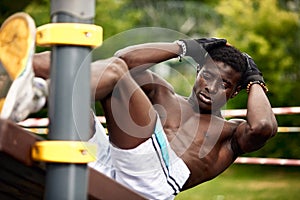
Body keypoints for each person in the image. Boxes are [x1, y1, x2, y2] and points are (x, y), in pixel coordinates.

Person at [2, 12, 277, 200]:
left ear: (235, 91)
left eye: (225, 84)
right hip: (105, 158)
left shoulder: (228, 134)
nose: (211, 87)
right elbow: (123, 58)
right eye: (207, 75)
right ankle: (24, 81)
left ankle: (38, 95)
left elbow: (263, 126)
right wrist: (184, 46)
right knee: (108, 67)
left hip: (148, 186)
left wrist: (255, 79)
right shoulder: (163, 94)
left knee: (118, 74)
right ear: (197, 72)